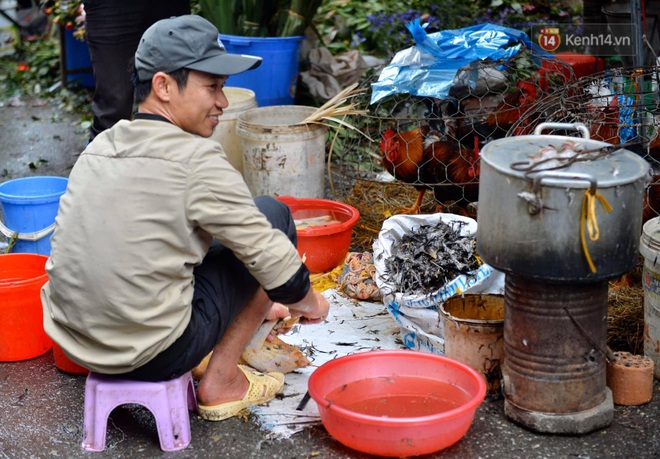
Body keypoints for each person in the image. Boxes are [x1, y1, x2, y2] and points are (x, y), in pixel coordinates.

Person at [41, 14, 330, 421]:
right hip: (154, 353)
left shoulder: (101, 145)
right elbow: (274, 262)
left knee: (222, 237)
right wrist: (312, 303)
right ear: (162, 86)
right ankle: (223, 380)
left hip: (76, 343)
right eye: (212, 87)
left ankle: (251, 312)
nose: (222, 102)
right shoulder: (195, 157)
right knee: (274, 216)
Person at [82, 1, 191, 142]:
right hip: (111, 7)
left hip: (168, 6)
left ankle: (169, 158)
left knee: (176, 93)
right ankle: (100, 159)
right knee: (114, 105)